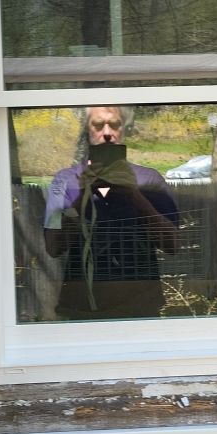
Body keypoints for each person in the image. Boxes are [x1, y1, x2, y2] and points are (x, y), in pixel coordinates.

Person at [44, 105, 178, 320]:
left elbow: (172, 245)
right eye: (98, 125)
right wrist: (81, 197)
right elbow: (53, 247)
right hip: (82, 306)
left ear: (123, 129)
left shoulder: (150, 180)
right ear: (87, 130)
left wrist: (135, 196)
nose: (107, 133)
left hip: (140, 305)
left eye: (114, 125)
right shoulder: (64, 181)